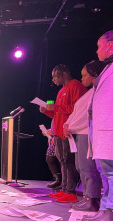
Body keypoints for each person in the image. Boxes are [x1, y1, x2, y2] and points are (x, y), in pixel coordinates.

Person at [83, 29, 113, 221]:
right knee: (107, 171)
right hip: (102, 130)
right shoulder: (109, 67)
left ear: (110, 45)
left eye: (99, 46)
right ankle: (106, 209)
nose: (97, 50)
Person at [40, 64, 87, 203]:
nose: (53, 79)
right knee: (62, 160)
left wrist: (56, 107)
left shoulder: (76, 86)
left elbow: (78, 109)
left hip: (70, 131)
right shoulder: (61, 91)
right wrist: (47, 111)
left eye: (55, 76)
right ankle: (65, 189)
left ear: (64, 73)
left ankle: (70, 192)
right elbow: (58, 113)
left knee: (69, 161)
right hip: (59, 131)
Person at [63, 60, 106, 212]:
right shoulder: (90, 92)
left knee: (88, 168)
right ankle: (87, 198)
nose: (81, 78)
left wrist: (71, 126)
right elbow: (76, 113)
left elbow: (86, 116)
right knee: (80, 167)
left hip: (86, 133)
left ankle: (92, 200)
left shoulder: (97, 91)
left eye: (84, 75)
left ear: (94, 75)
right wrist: (67, 124)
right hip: (79, 133)